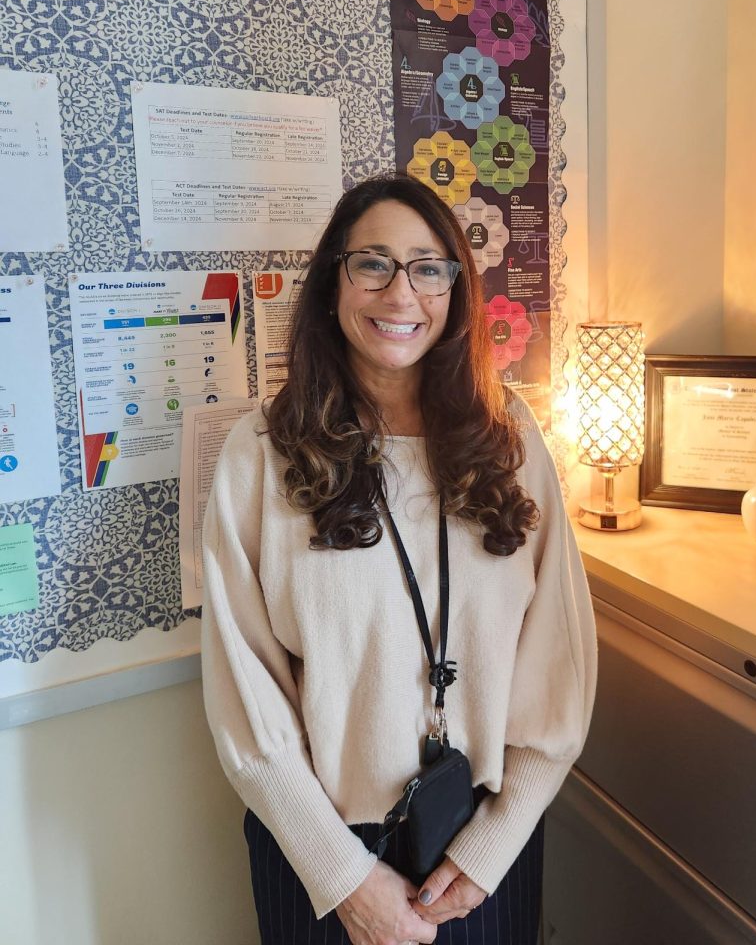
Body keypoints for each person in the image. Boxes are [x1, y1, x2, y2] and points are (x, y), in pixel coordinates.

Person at [201, 174, 597, 945]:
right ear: (333, 283)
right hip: (320, 859)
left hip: (483, 850)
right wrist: (346, 879)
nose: (400, 292)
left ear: (455, 290)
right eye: (372, 263)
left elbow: (559, 667)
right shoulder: (261, 454)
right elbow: (244, 691)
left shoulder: (510, 441)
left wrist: (491, 848)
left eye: (427, 266)